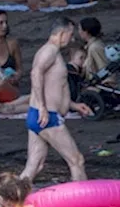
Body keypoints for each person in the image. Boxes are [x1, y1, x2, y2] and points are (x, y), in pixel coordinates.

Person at [20, 17, 91, 183]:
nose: (71, 39)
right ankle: (82, 205)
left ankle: (5, 200)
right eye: (70, 34)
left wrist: (74, 105)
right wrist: (43, 108)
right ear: (62, 33)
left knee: (34, 166)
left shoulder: (52, 52)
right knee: (77, 161)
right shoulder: (49, 51)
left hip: (38, 115)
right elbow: (35, 74)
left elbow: (53, 87)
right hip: (47, 117)